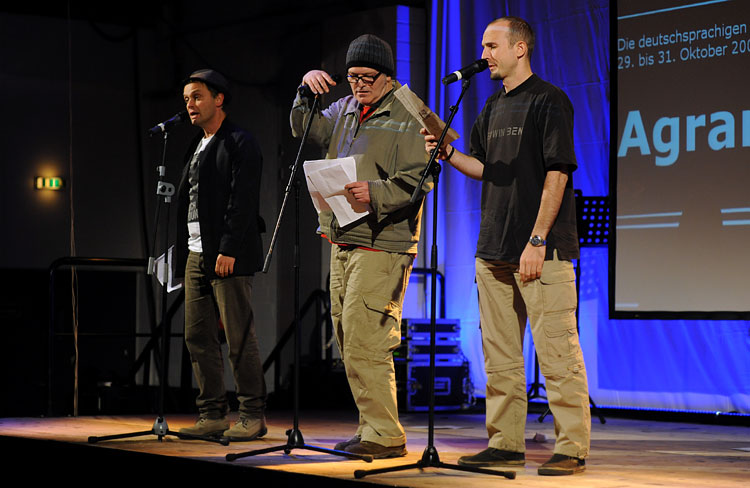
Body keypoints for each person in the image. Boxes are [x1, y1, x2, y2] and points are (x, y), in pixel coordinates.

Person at [424, 17, 591, 475]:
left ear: (520, 48)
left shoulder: (549, 100)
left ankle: (572, 447)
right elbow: (485, 167)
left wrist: (537, 239)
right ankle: (505, 443)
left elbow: (558, 172)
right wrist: (448, 153)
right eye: (483, 46)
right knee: (499, 357)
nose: (484, 55)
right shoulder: (492, 105)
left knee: (557, 354)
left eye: (491, 46)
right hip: (493, 249)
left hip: (540, 250)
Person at [290, 34, 432, 458]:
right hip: (343, 237)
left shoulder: (409, 110)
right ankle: (371, 427)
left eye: (368, 77)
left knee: (367, 337)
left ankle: (385, 434)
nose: (359, 85)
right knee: (348, 335)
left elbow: (422, 175)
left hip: (383, 242)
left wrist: (376, 192)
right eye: (353, 77)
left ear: (388, 76)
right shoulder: (345, 108)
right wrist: (305, 91)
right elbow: (305, 129)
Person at [174, 69, 267, 441]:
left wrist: (228, 248)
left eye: (197, 97)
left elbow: (242, 201)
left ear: (218, 99)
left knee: (239, 337)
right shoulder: (196, 144)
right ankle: (212, 414)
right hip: (196, 252)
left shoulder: (240, 141)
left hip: (227, 254)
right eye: (186, 99)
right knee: (197, 336)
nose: (190, 105)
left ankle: (252, 414)